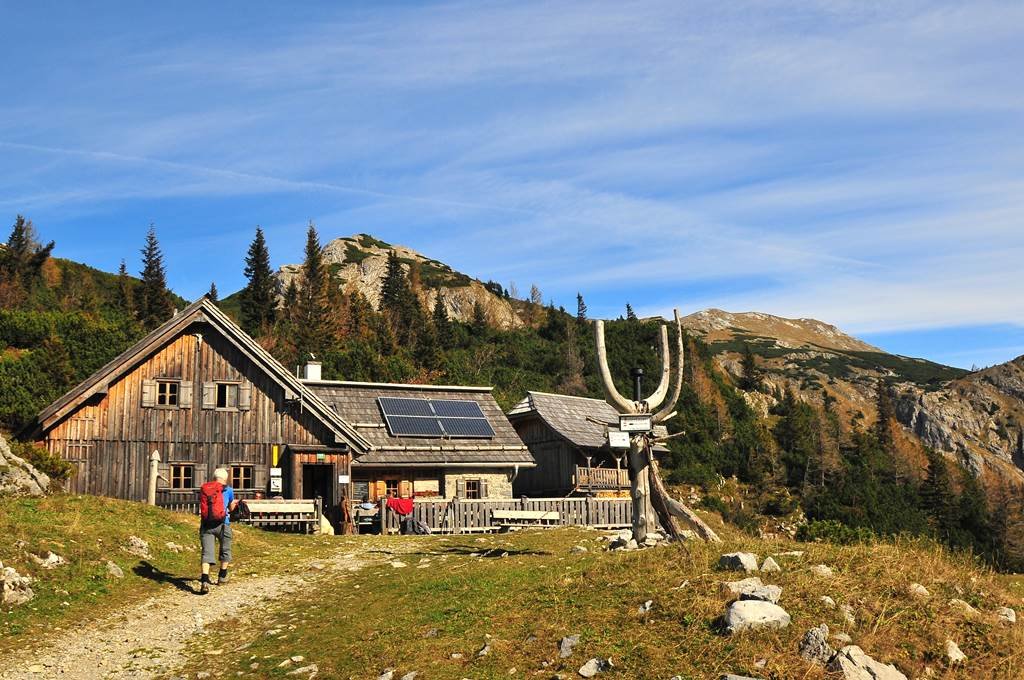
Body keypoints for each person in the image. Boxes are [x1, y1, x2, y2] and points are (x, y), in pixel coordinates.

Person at [197, 467, 238, 595]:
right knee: (225, 548)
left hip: (206, 524)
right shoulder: (228, 490)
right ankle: (222, 576)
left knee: (207, 552)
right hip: (223, 524)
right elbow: (231, 508)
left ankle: (204, 580)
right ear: (225, 478)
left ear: (214, 477)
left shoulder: (205, 489)